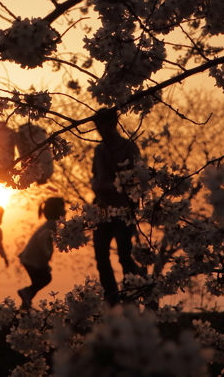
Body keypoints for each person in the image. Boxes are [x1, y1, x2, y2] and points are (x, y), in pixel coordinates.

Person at [90, 107, 145, 305]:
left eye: (102, 126)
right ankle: (111, 298)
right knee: (101, 258)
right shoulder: (99, 150)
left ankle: (132, 295)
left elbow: (137, 180)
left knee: (124, 255)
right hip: (102, 211)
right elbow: (96, 177)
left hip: (123, 210)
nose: (100, 131)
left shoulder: (128, 148)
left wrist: (112, 186)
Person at [17, 196, 66, 311]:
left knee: (39, 280)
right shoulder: (52, 225)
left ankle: (26, 303)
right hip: (32, 259)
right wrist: (47, 252)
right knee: (45, 278)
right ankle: (26, 294)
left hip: (29, 258)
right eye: (62, 208)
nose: (65, 211)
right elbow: (42, 238)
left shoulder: (50, 224)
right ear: (56, 210)